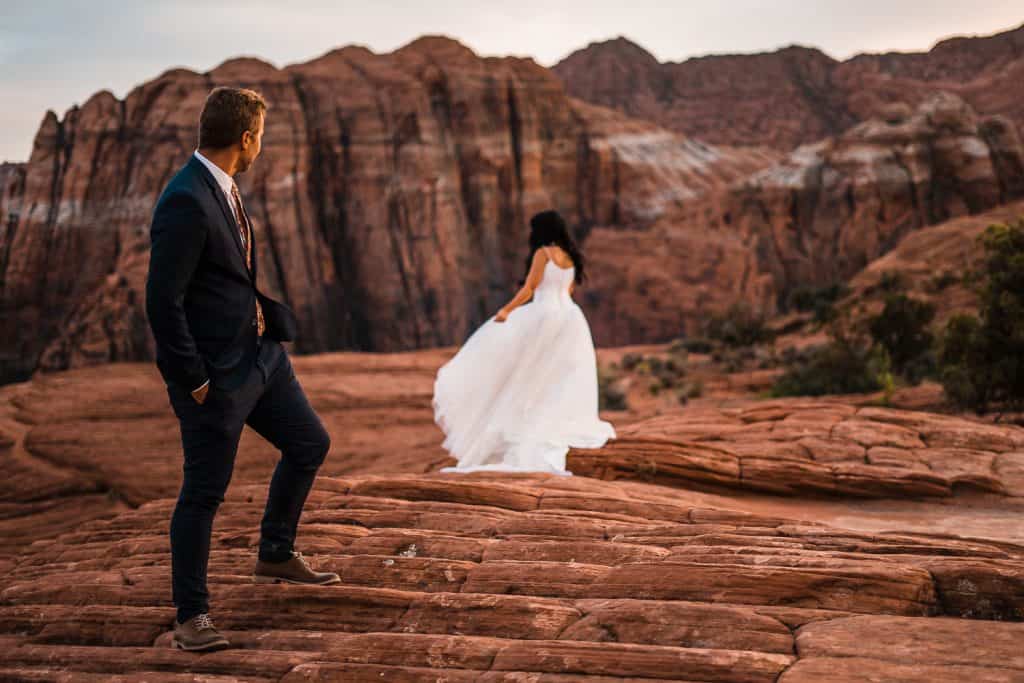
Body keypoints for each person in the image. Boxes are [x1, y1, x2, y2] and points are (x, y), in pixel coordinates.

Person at [146, 87, 339, 652]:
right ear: (247, 138)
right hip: (216, 378)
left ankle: (275, 555)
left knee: (309, 443)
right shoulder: (185, 199)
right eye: (262, 136)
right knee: (203, 494)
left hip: (262, 360)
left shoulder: (222, 187)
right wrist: (195, 380)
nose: (262, 146)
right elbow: (163, 303)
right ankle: (191, 617)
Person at [433, 209, 615, 475]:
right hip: (570, 317)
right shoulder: (570, 257)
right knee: (559, 374)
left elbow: (530, 288)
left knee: (526, 371)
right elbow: (568, 290)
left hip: (544, 315)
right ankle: (550, 419)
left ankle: (518, 423)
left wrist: (506, 310)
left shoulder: (544, 253)